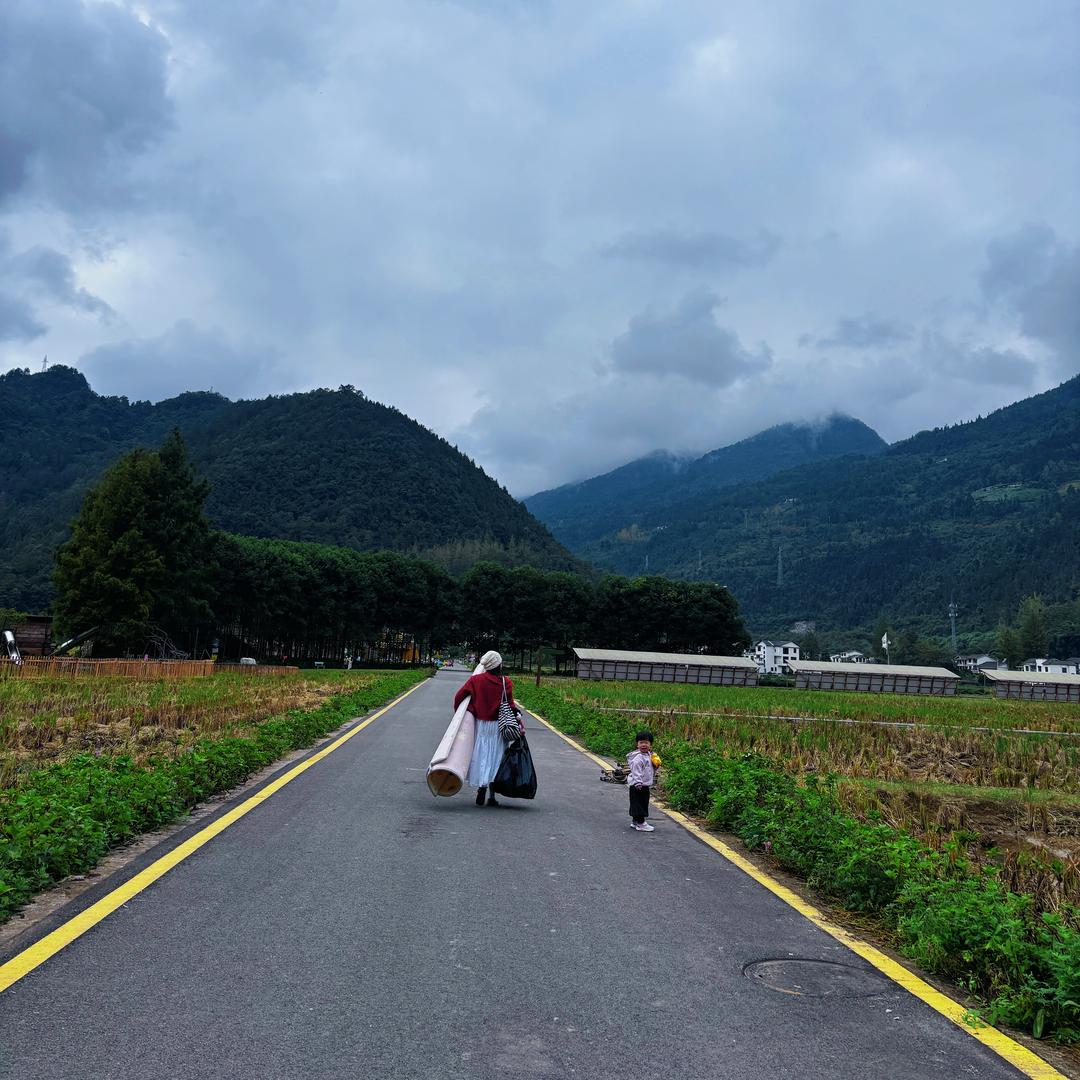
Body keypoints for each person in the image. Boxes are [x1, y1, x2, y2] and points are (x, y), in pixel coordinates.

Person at [454, 649, 523, 807]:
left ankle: (481, 788)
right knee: (497, 757)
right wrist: (517, 715)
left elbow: (459, 697)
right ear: (498, 665)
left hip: (481, 724)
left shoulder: (476, 680)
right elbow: (510, 705)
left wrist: (467, 712)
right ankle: (492, 796)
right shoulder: (506, 682)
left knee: (482, 755)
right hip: (499, 725)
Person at [627, 730, 660, 832]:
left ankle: (635, 821)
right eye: (641, 742)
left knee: (637, 803)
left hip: (644, 784)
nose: (644, 745)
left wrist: (656, 764)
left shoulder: (649, 755)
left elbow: (652, 768)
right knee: (640, 804)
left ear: (650, 744)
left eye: (646, 742)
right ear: (637, 744)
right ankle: (641, 823)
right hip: (639, 785)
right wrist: (638, 782)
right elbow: (636, 771)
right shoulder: (638, 758)